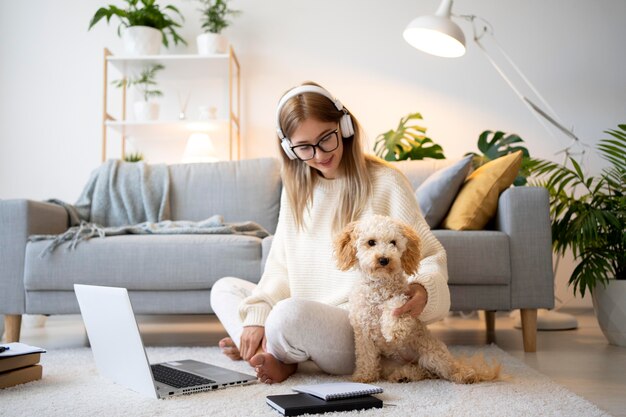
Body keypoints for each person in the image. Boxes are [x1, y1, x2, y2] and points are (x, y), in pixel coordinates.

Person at [210, 81, 450, 384]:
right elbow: (280, 269)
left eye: (326, 139)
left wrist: (424, 289)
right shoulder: (296, 193)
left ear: (345, 126)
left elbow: (429, 257)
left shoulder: (387, 182)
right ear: (289, 148)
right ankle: (271, 346)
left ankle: (277, 351)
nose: (319, 154)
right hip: (306, 318)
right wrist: (256, 319)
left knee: (287, 316)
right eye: (304, 147)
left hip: (357, 330)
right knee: (224, 289)